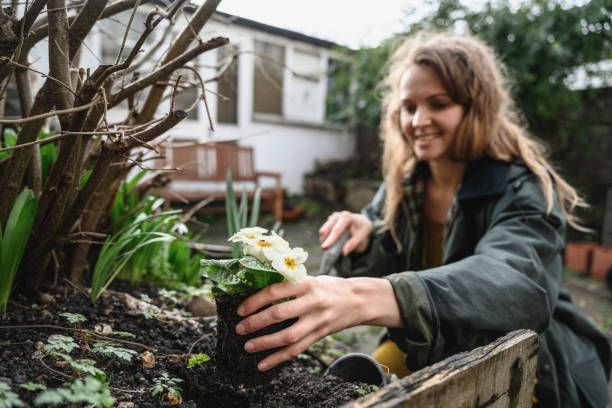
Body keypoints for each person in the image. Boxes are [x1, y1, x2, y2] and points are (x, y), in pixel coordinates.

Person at [233, 32, 611, 407]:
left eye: (439, 104)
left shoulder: (524, 185)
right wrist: (367, 240)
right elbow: (389, 264)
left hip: (530, 360)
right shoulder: (406, 181)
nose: (418, 120)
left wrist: (363, 297)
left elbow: (514, 285)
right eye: (409, 106)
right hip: (435, 343)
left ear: (476, 107)